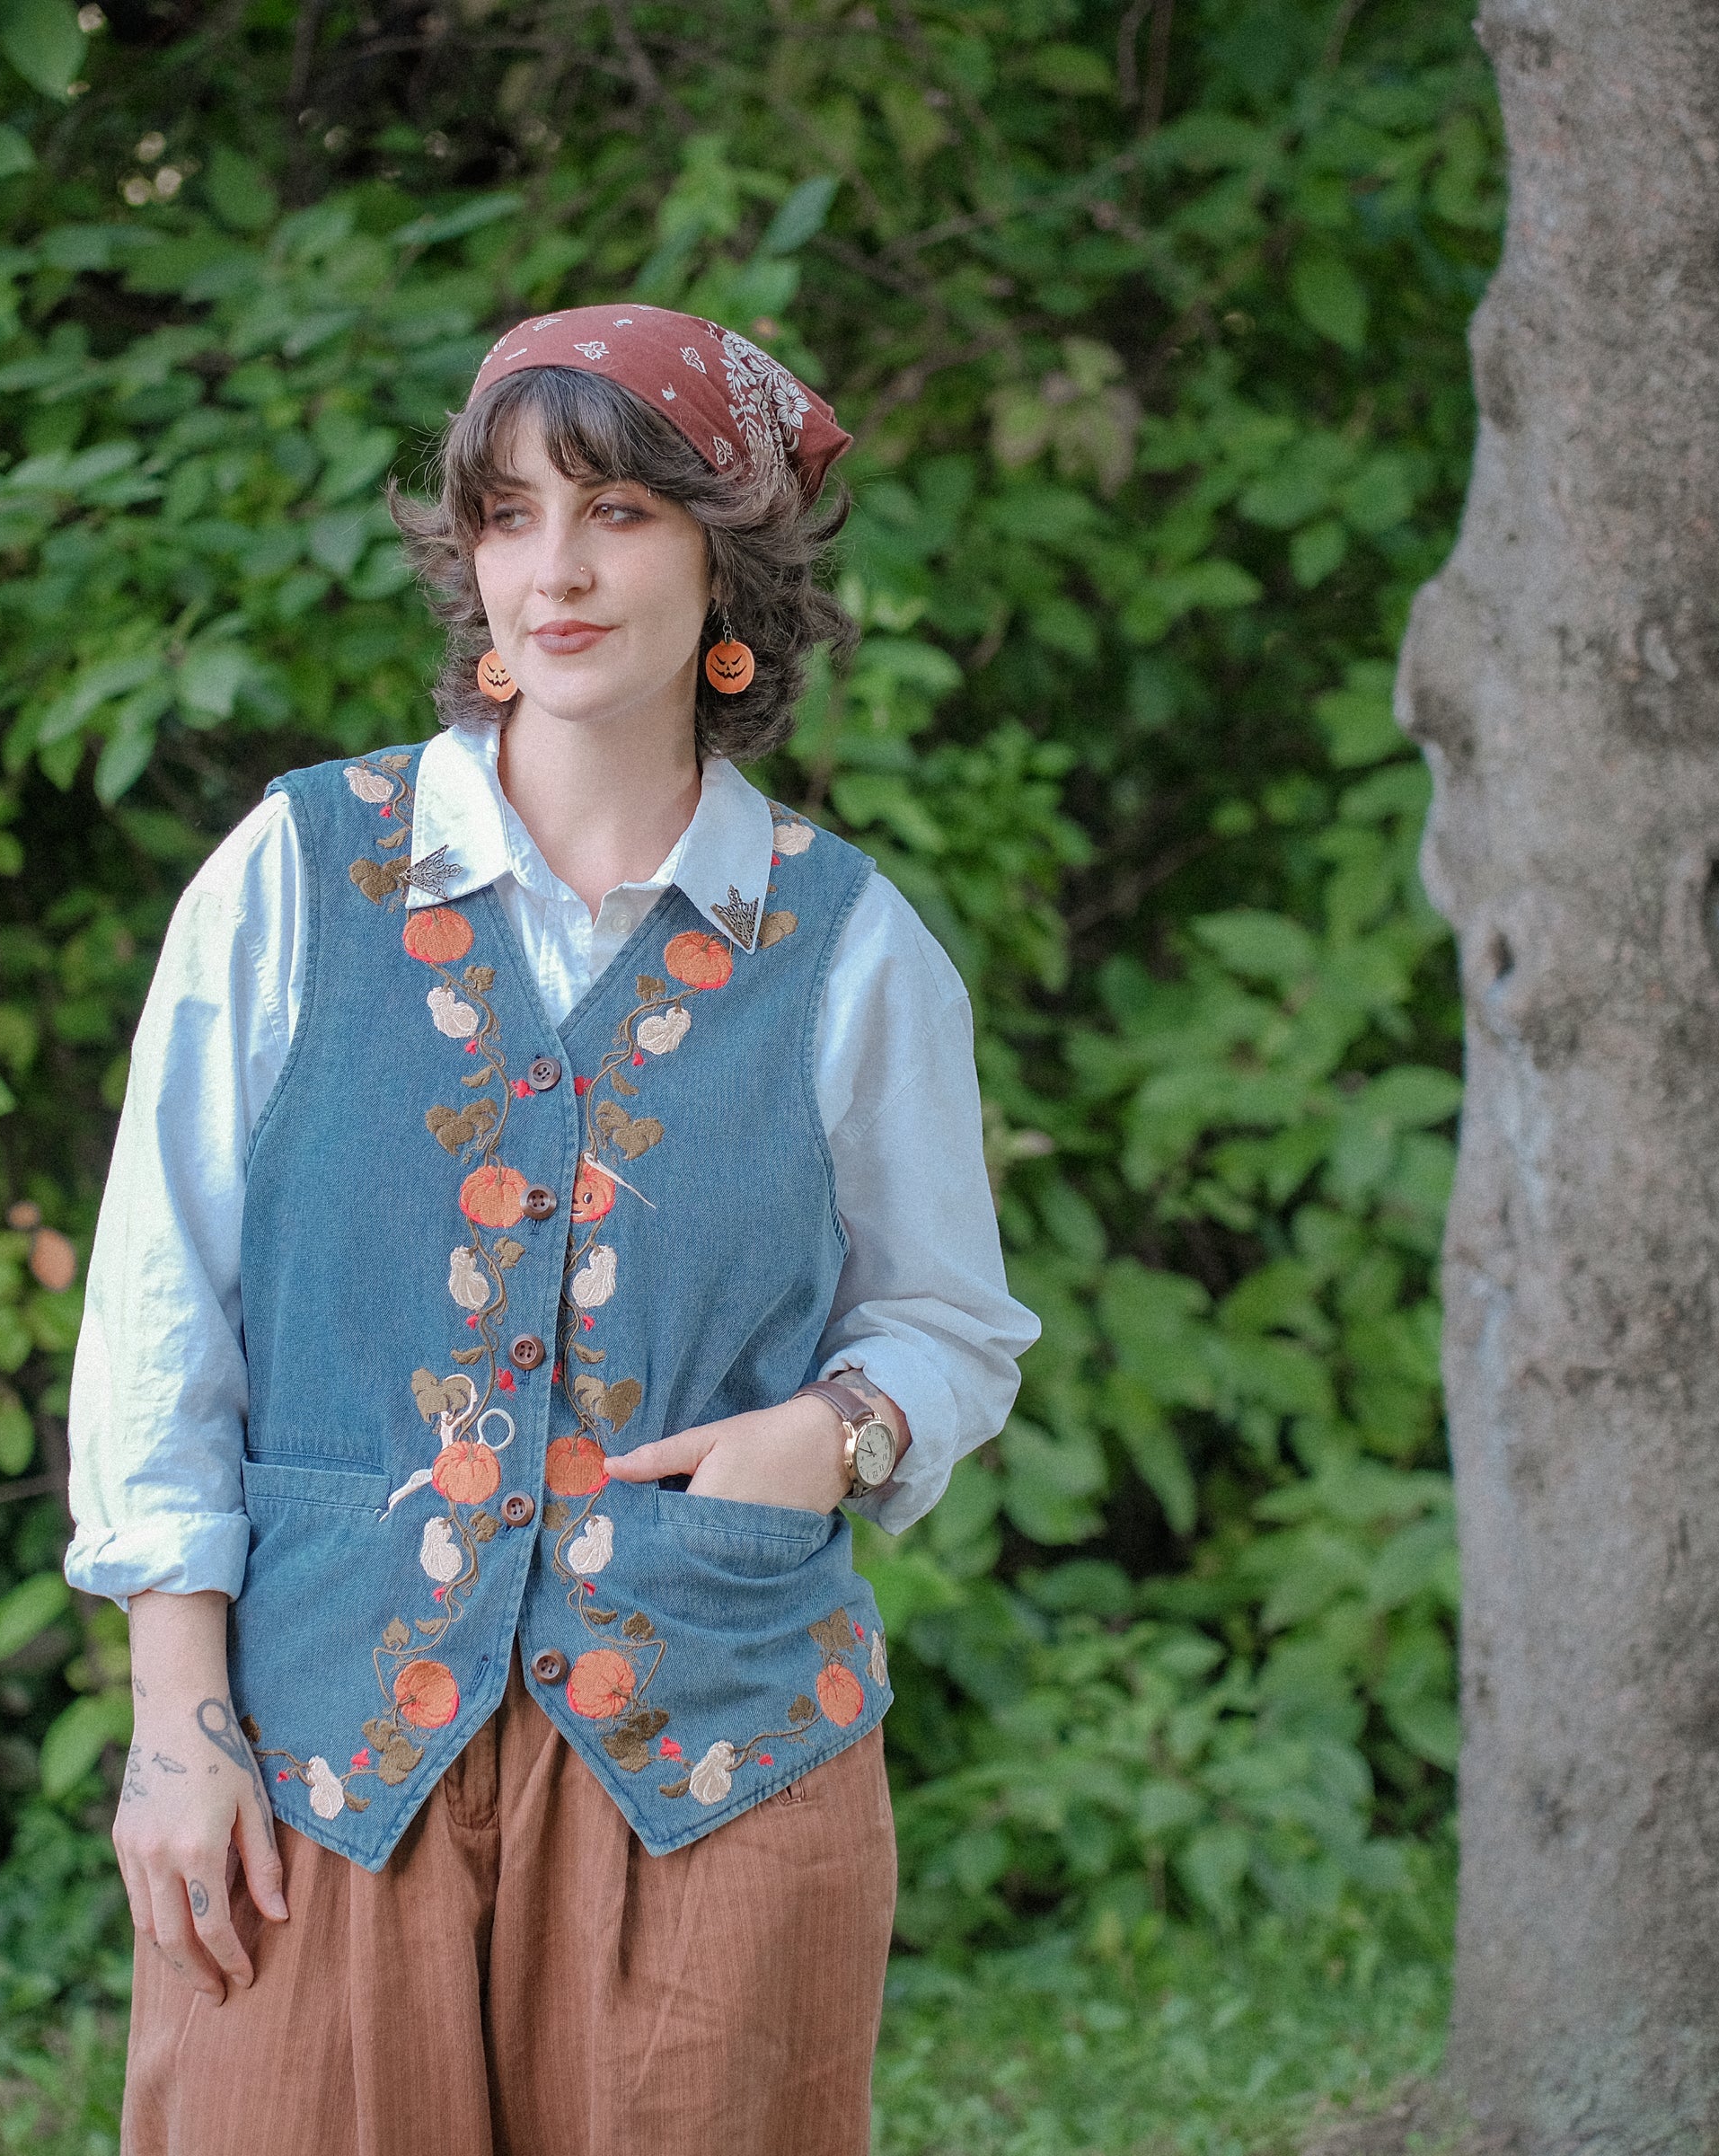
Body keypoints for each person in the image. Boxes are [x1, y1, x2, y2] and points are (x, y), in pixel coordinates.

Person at [66, 303, 1039, 2154]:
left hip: (718, 1746)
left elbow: (944, 1321)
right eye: (509, 519)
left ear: (723, 563)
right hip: (323, 1748)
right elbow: (158, 1319)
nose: (556, 571)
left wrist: (828, 1437)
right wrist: (176, 1725)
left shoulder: (847, 947)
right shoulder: (291, 877)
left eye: (617, 515)